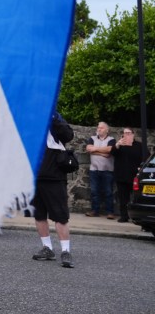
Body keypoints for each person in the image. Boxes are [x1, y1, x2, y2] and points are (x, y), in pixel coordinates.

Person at [31, 111, 75, 268]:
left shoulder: (55, 117)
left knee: (60, 216)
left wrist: (54, 118)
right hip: (35, 176)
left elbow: (69, 136)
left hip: (54, 176)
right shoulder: (31, 119)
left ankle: (65, 251)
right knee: (39, 214)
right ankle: (47, 248)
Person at [112, 127, 146, 223]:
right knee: (123, 198)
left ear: (133, 134)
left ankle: (139, 217)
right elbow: (112, 152)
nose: (126, 134)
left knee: (137, 198)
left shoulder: (139, 146)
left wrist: (141, 167)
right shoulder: (119, 145)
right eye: (124, 133)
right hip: (121, 176)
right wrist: (118, 144)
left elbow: (145, 157)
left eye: (128, 133)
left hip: (135, 176)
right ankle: (124, 216)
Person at [85, 121, 116, 218]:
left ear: (107, 130)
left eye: (101, 128)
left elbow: (109, 151)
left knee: (108, 192)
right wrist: (102, 152)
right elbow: (89, 149)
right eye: (98, 127)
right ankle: (95, 211)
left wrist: (95, 150)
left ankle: (110, 212)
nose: (99, 129)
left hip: (107, 170)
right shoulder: (92, 138)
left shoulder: (112, 139)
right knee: (94, 191)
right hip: (94, 169)